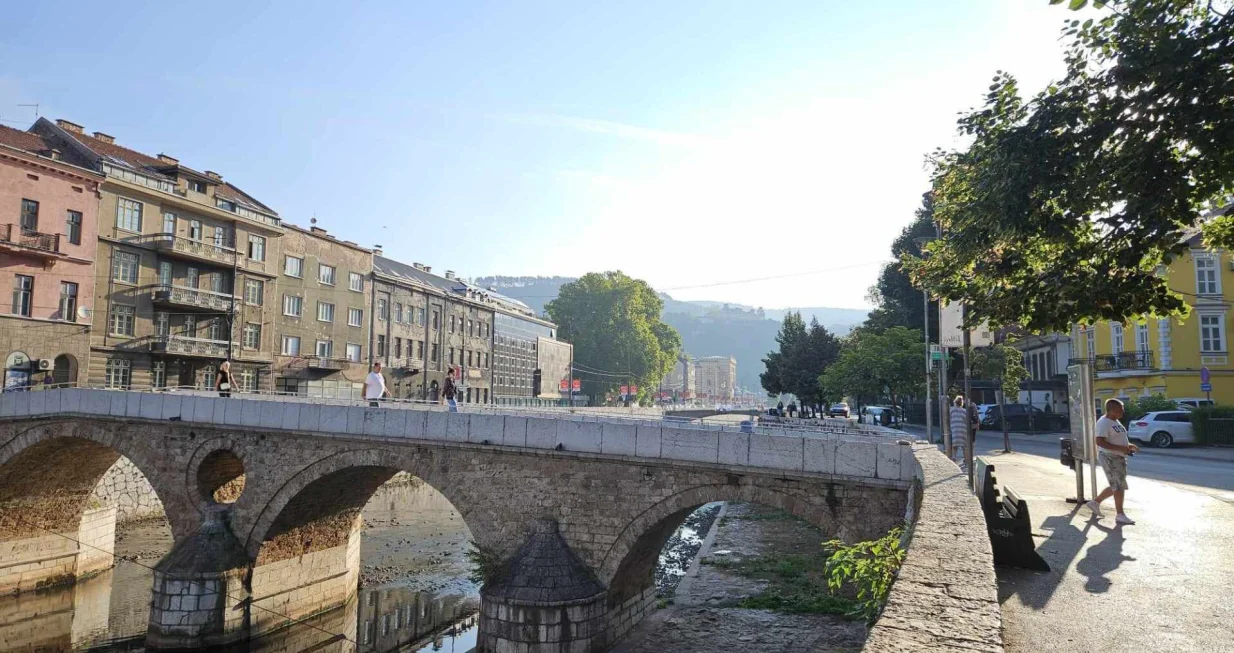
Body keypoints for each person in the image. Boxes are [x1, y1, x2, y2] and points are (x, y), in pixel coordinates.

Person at [1087, 398, 1139, 524]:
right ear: (1113, 410)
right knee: (1119, 485)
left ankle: (1095, 503)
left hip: (1119, 456)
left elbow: (1117, 439)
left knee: (1117, 484)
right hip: (1109, 457)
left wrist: (1129, 445)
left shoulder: (1115, 421)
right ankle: (1120, 514)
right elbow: (1099, 442)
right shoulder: (1104, 423)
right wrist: (1121, 448)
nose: (1123, 411)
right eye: (1121, 409)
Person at [948, 395, 969, 464]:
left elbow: (949, 418)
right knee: (964, 446)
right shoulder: (964, 411)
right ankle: (966, 460)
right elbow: (966, 420)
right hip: (963, 429)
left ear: (955, 402)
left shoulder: (951, 410)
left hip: (954, 428)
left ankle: (954, 458)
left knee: (955, 445)